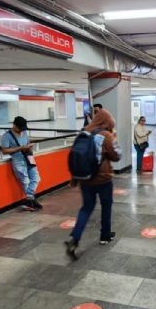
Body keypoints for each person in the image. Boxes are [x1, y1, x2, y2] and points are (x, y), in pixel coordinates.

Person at [66, 109, 121, 257]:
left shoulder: (84, 133)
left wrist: (74, 178)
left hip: (86, 179)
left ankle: (75, 237)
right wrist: (113, 138)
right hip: (103, 179)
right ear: (107, 122)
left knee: (86, 208)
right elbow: (117, 156)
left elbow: (76, 157)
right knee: (106, 206)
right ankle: (105, 235)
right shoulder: (107, 136)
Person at [0, 116, 42, 211]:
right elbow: (4, 151)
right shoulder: (7, 136)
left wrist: (28, 147)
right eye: (20, 128)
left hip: (29, 158)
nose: (21, 131)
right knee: (25, 181)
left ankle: (29, 199)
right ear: (14, 125)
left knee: (36, 178)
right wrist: (20, 148)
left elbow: (26, 143)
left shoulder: (24, 132)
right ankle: (31, 201)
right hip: (18, 160)